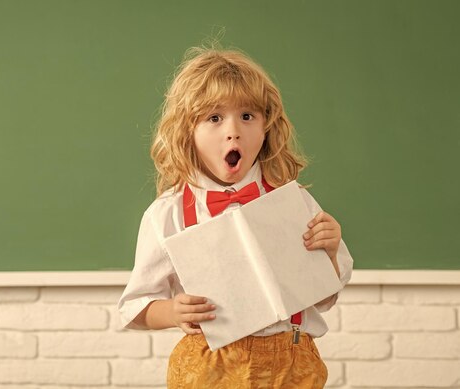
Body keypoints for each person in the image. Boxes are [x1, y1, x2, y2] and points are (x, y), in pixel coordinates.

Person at [117, 45, 354, 388]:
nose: (233, 131)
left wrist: (329, 253)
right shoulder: (166, 213)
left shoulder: (295, 203)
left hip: (293, 365)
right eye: (214, 118)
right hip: (209, 369)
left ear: (267, 127)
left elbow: (325, 298)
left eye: (247, 116)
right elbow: (136, 305)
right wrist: (172, 312)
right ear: (188, 131)